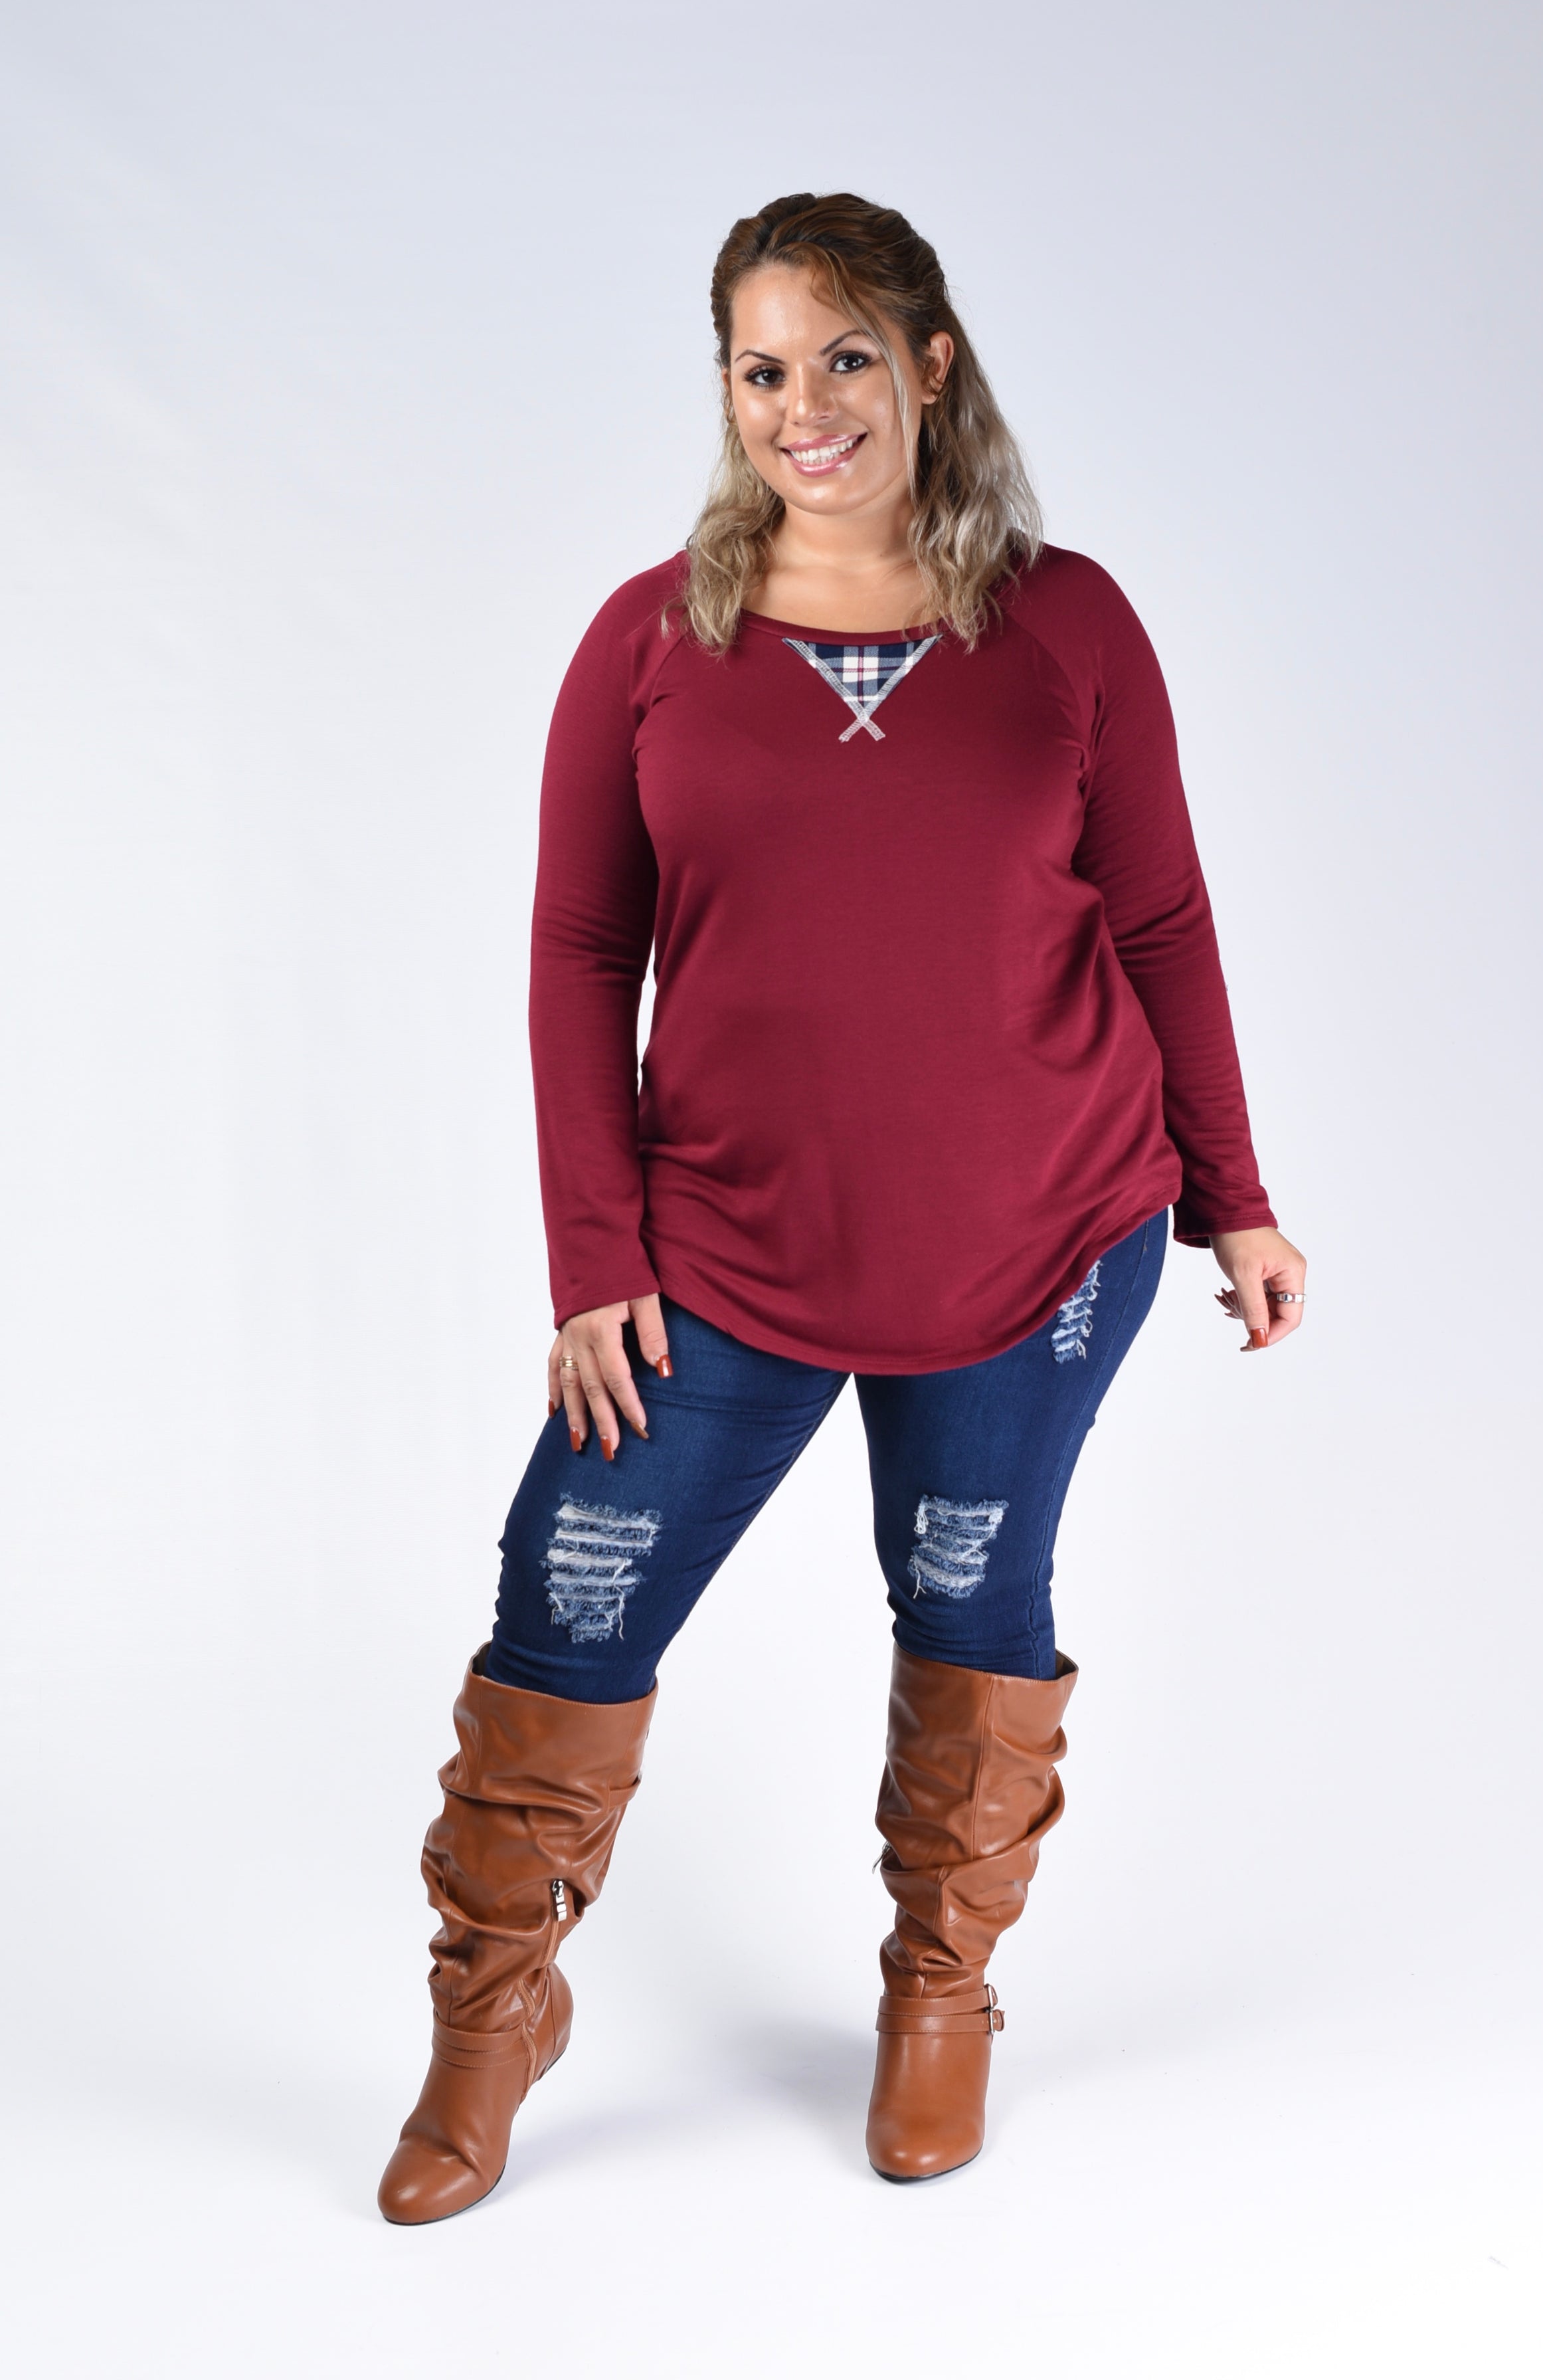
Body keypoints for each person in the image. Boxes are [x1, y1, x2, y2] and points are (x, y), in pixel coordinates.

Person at [377, 190, 1306, 2223]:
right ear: (727, 391)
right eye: (763, 369)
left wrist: (1232, 1196)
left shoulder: (1069, 627)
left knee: (971, 1604)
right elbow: (578, 950)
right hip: (719, 1250)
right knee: (570, 1598)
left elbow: (1159, 916)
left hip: (1036, 1240)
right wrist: (594, 1256)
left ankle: (941, 1989)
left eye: (847, 358)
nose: (806, 406)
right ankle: (493, 2014)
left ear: (932, 366)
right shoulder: (654, 639)